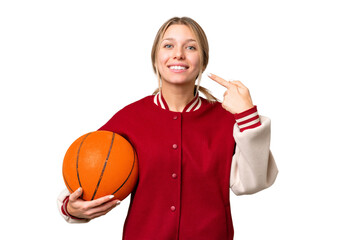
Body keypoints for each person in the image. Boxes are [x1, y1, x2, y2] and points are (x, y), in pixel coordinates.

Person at [57, 16, 278, 240]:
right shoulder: (130, 118)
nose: (178, 54)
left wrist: (246, 115)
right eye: (168, 45)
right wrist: (71, 208)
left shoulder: (225, 119)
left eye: (190, 47)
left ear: (203, 61)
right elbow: (90, 170)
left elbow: (254, 182)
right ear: (155, 59)